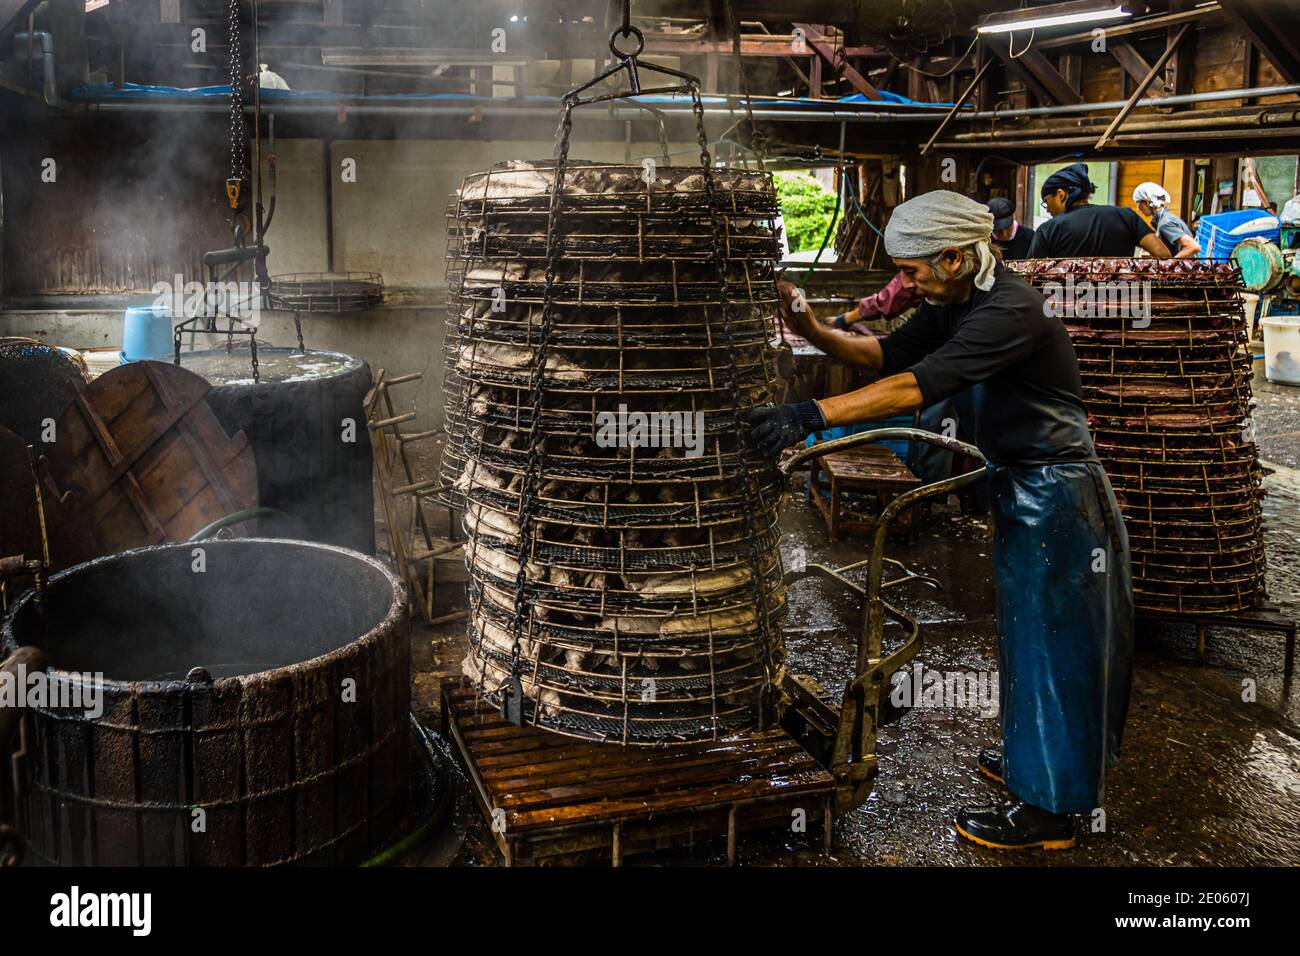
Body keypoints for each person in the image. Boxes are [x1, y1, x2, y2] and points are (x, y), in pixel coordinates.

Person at [748, 190, 1134, 851]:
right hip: (1021, 487)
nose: (908, 282)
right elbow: (887, 356)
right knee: (1025, 638)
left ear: (954, 257)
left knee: (1057, 646)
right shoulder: (955, 301)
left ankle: (1051, 812)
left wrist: (813, 416)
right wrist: (809, 327)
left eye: (916, 270)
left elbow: (915, 387)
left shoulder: (1010, 309)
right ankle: (1031, 763)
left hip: (1061, 496)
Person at [1028, 163, 1170, 258]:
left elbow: (1031, 277)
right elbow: (1163, 255)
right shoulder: (1126, 216)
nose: (1048, 211)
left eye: (1046, 202)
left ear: (1061, 194)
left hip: (1069, 301)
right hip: (1122, 299)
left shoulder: (1049, 229)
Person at [1132, 182, 1201, 258]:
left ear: (1146, 202)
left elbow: (1193, 247)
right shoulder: (1165, 217)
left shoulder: (1165, 223)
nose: (1138, 209)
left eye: (1138, 204)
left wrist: (1171, 263)